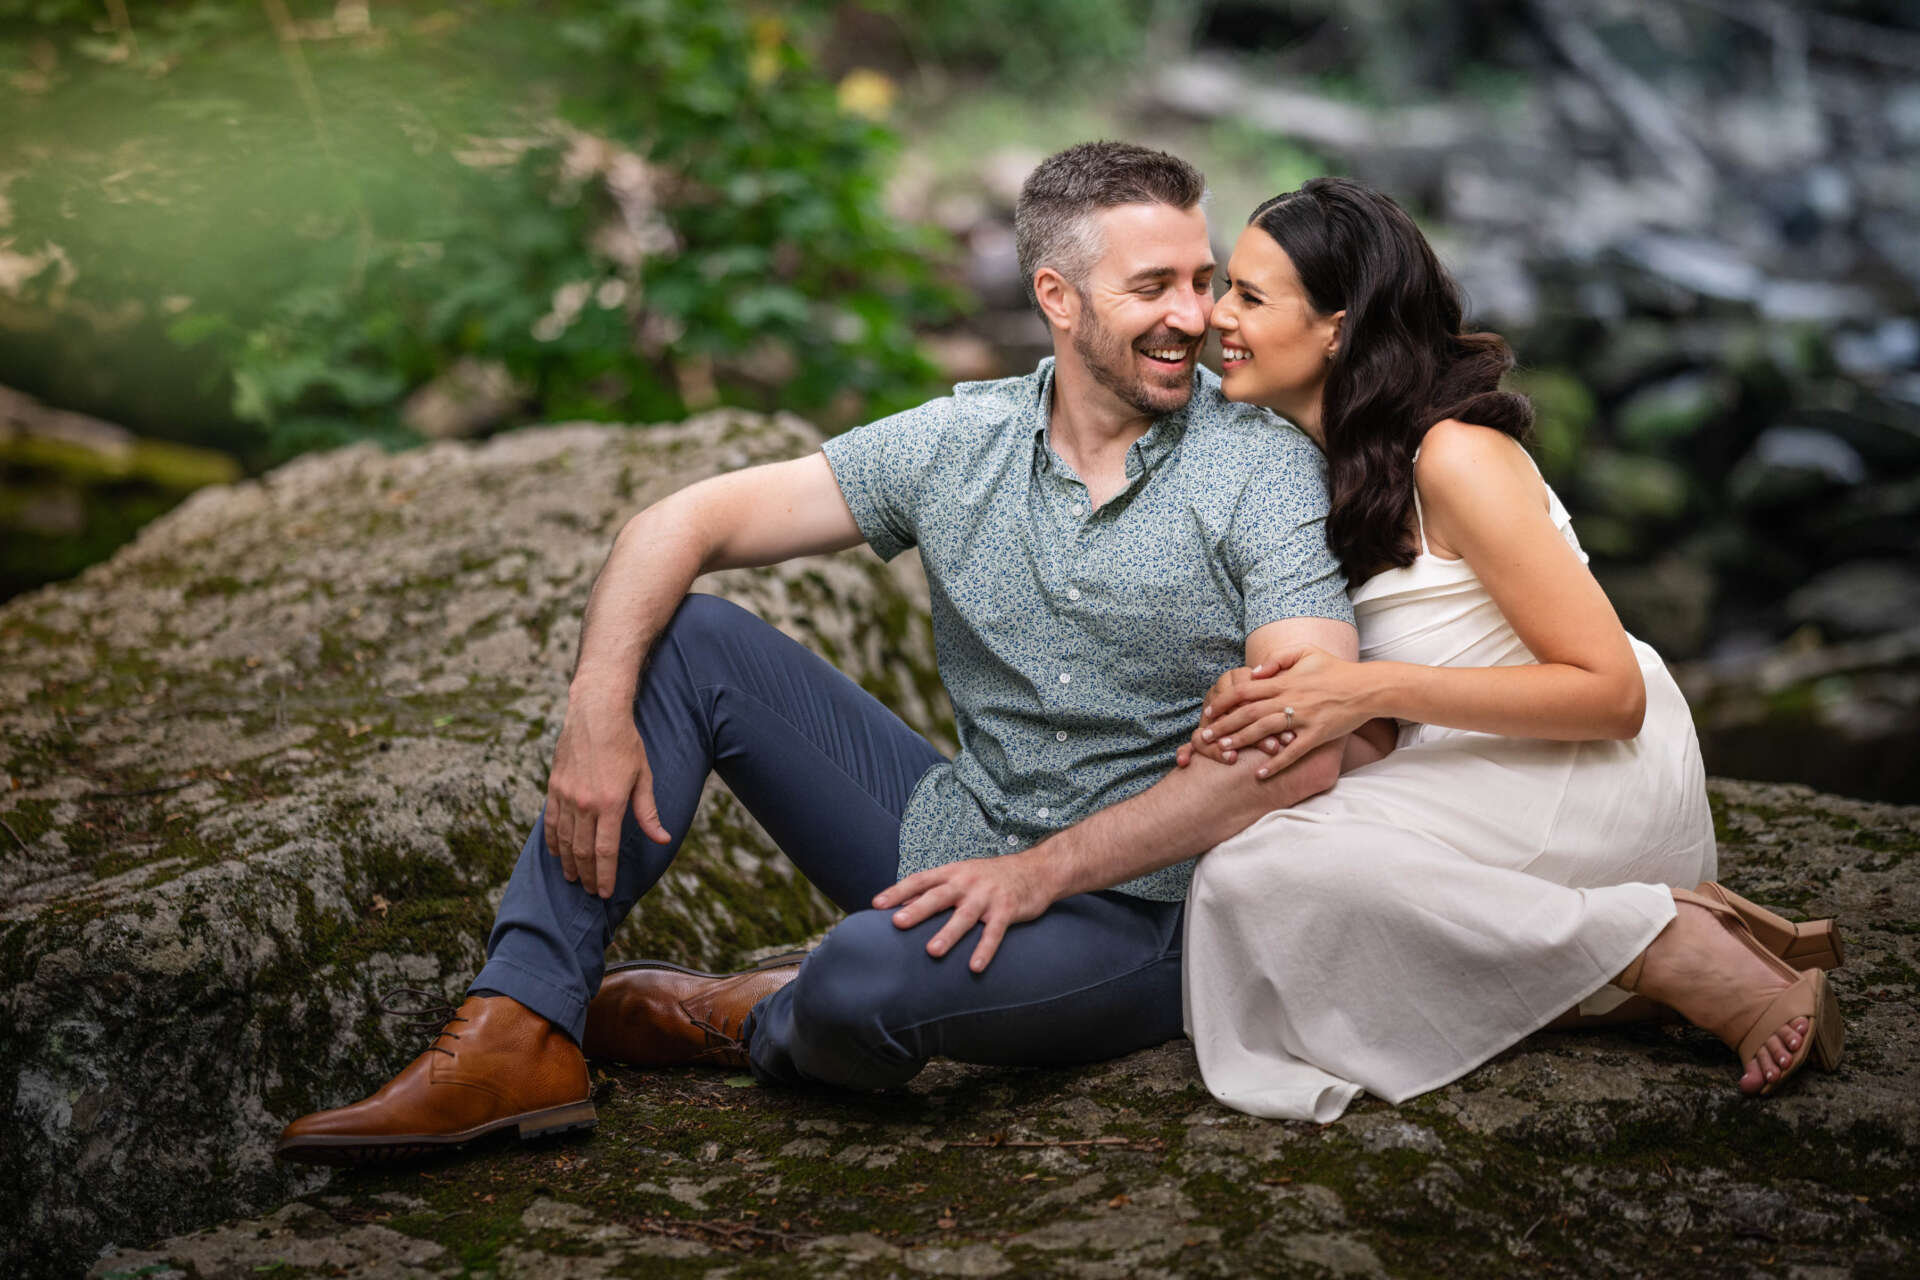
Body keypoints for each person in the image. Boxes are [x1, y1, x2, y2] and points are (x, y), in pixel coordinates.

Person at [275, 141, 1360, 1164]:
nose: (1195, 317)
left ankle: (750, 1013)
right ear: (1057, 297)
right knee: (692, 640)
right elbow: (678, 523)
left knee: (854, 984)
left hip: (1145, 913)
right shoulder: (961, 439)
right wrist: (596, 708)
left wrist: (1041, 873)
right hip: (954, 838)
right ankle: (518, 1025)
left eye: (1203, 280)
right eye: (1154, 286)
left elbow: (1302, 748)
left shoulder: (1260, 468)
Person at [1171, 177, 1845, 1121]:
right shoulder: (1324, 470)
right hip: (1467, 772)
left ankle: (1669, 951)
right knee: (1249, 869)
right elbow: (1386, 722)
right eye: (1224, 289)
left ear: (1336, 328)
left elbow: (1612, 695)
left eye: (1248, 295)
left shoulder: (1455, 455)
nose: (1215, 317)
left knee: (1254, 877)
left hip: (1581, 771)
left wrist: (1362, 689)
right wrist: (1277, 713)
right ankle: (1637, 953)